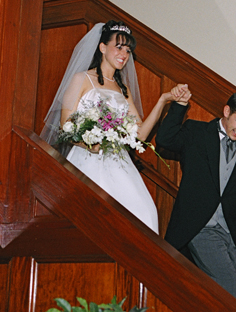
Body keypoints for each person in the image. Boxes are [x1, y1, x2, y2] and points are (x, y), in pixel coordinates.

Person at [41, 20, 181, 234]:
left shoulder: (122, 89)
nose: (124, 54)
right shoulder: (82, 79)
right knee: (97, 221)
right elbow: (65, 127)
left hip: (119, 163)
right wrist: (90, 144)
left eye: (128, 50)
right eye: (119, 47)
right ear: (102, 47)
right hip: (87, 161)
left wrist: (163, 100)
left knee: (146, 213)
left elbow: (140, 134)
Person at [155, 86, 236, 302]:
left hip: (228, 232)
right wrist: (180, 106)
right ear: (226, 111)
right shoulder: (196, 132)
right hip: (197, 227)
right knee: (230, 289)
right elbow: (164, 139)